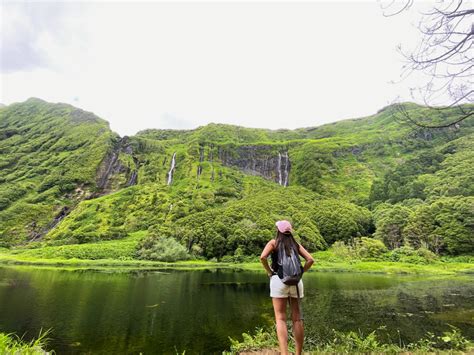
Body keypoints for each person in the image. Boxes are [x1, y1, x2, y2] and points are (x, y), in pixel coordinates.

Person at [260, 220, 314, 355]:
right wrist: (301, 272)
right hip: (296, 282)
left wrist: (269, 272)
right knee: (297, 318)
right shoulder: (296, 244)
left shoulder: (274, 243)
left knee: (280, 319)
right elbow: (310, 260)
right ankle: (298, 353)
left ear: (278, 231)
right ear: (290, 231)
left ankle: (284, 353)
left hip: (279, 281)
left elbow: (263, 257)